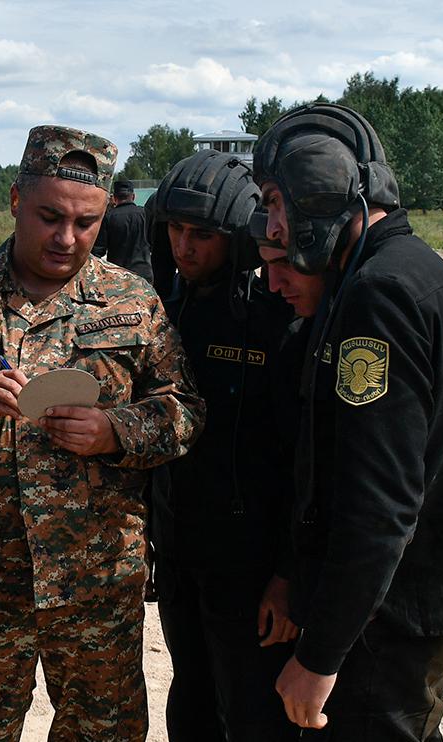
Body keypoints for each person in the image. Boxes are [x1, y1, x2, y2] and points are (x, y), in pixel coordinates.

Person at [0, 124, 205, 741]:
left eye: (87, 222)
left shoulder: (133, 301)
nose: (66, 238)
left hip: (97, 587)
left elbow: (184, 410)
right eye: (50, 217)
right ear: (17, 201)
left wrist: (115, 431)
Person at [252, 103, 443, 739]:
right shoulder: (419, 270)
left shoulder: (376, 296)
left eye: (275, 200)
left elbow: (378, 504)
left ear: (317, 191)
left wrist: (320, 657)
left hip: (385, 621)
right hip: (412, 608)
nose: (270, 222)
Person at [144, 150, 300, 741]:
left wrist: (287, 574)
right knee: (192, 702)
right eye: (176, 231)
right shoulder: (161, 310)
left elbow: (302, 462)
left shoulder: (277, 319)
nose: (185, 248)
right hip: (182, 553)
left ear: (236, 238)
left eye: (202, 235)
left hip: (251, 562)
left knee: (254, 712)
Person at [94, 179, 154, 282]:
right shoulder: (145, 214)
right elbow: (154, 243)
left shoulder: (108, 217)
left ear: (114, 198)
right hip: (144, 275)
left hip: (118, 277)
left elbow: (98, 251)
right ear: (133, 196)